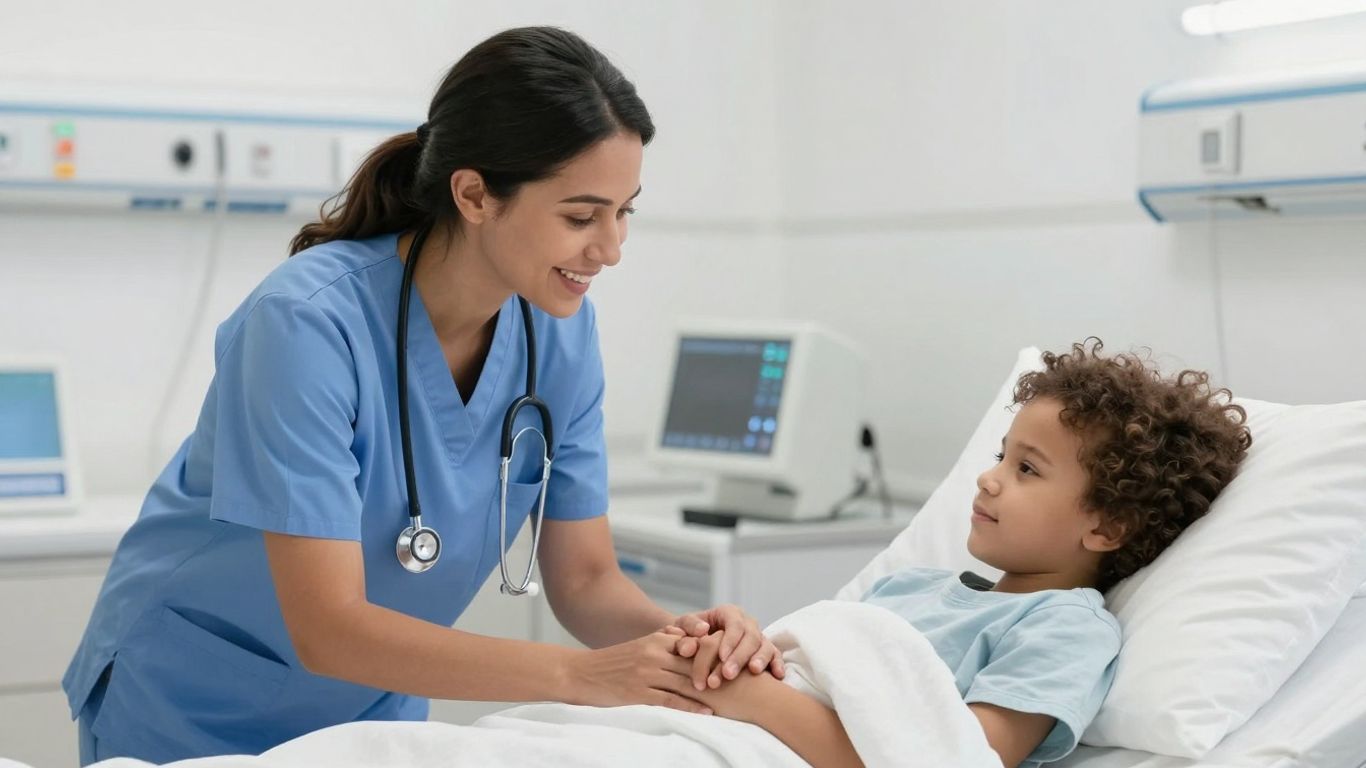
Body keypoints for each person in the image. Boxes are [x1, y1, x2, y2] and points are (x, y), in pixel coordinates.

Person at [62, 26, 779, 765]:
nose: (611, 248)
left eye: (625, 211)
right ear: (474, 194)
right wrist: (580, 676)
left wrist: (690, 644)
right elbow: (329, 627)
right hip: (194, 707)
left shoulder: (560, 335)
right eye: (580, 216)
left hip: (370, 706)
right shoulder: (306, 323)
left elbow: (587, 580)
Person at [674, 339, 1252, 768]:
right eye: (1001, 457)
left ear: (1107, 527)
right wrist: (741, 649)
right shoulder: (907, 587)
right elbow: (815, 669)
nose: (988, 479)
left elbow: (955, 758)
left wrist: (747, 695)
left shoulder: (1065, 630)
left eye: (1027, 469)